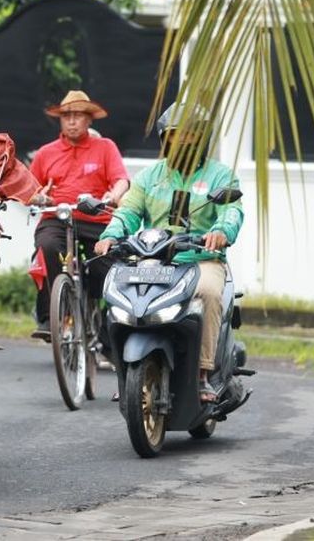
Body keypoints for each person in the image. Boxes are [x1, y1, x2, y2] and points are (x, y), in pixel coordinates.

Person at [94, 103, 244, 402]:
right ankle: (125, 369)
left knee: (209, 293)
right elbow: (129, 212)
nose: (183, 142)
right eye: (176, 136)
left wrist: (220, 232)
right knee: (118, 292)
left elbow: (231, 211)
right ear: (166, 140)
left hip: (201, 260)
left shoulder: (220, 176)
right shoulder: (150, 176)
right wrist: (110, 235)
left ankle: (202, 374)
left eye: (190, 136)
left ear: (201, 140)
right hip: (155, 259)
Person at [28, 90, 130, 340]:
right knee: (48, 246)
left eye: (78, 116)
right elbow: (29, 188)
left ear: (89, 120)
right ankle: (53, 313)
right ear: (60, 120)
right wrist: (38, 196)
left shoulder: (105, 147)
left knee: (111, 266)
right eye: (67, 116)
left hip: (97, 220)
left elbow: (121, 180)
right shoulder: (45, 153)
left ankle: (111, 331)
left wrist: (114, 195)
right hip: (58, 218)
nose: (72, 121)